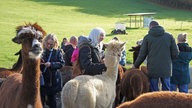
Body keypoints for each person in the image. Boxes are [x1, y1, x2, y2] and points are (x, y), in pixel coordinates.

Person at [132, 21, 179, 92]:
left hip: (152, 68)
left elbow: (142, 54)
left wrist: (135, 65)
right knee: (166, 90)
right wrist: (168, 59)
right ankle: (166, 102)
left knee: (154, 91)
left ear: (150, 27)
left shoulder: (147, 38)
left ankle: (155, 103)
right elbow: (175, 53)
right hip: (166, 68)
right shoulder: (169, 36)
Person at [40, 33, 65, 108]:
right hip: (42, 80)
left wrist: (51, 64)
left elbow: (61, 63)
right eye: (48, 44)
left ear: (55, 43)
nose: (49, 46)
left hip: (53, 81)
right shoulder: (41, 51)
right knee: (41, 100)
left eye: (51, 44)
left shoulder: (57, 52)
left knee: (52, 101)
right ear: (45, 42)